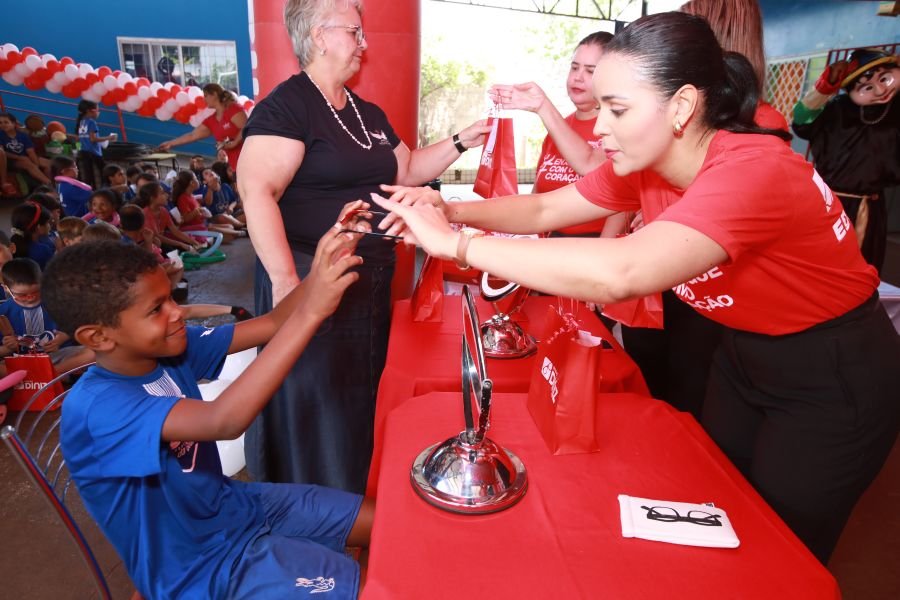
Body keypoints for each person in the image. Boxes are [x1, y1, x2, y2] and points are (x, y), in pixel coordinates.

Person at [374, 12, 900, 565]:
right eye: (599, 106)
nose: (598, 127)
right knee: (717, 513)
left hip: (832, 372)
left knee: (782, 552)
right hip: (744, 353)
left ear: (681, 107)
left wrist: (456, 245)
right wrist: (448, 207)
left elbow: (622, 270)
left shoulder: (753, 171)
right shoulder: (646, 165)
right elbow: (548, 205)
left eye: (616, 109)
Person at [238, 0, 491, 492]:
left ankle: (354, 491)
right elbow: (256, 192)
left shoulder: (363, 110)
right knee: (317, 396)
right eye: (355, 32)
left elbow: (410, 169)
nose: (364, 44)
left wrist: (465, 139)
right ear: (318, 36)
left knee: (358, 393)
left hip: (365, 278)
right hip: (313, 273)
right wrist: (290, 286)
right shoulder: (288, 106)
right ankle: (311, 499)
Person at [41, 230, 372, 599]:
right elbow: (224, 420)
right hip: (201, 569)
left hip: (240, 507)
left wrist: (325, 267)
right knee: (370, 586)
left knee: (389, 523)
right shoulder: (97, 407)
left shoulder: (167, 350)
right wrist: (312, 312)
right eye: (156, 309)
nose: (177, 313)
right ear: (99, 337)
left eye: (170, 298)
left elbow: (274, 322)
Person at [491, 32, 625, 237]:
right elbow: (538, 191)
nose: (578, 77)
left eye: (590, 71)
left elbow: (621, 200)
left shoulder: (619, 126)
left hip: (595, 249)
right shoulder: (559, 128)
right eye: (574, 67)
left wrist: (603, 251)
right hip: (551, 246)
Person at [792, 48, 899, 273]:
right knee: (815, 259)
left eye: (885, 79)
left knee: (861, 264)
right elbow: (802, 120)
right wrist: (824, 87)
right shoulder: (837, 109)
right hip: (828, 202)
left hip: (869, 206)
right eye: (867, 87)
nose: (880, 90)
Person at [0, 257, 93, 374]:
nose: (30, 297)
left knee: (94, 352)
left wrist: (64, 337)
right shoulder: (3, 312)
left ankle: (49, 374)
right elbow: (3, 351)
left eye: (36, 291)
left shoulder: (57, 302)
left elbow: (81, 325)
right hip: (21, 361)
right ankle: (51, 376)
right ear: (6, 288)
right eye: (22, 295)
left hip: (57, 357)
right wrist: (9, 347)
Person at [159, 83, 248, 168]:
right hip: (232, 166)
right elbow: (192, 135)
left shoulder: (233, 109)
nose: (204, 99)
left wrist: (234, 143)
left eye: (205, 96)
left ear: (215, 94)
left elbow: (247, 127)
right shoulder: (211, 120)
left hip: (247, 160)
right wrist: (170, 143)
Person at [0, 112, 51, 186]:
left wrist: (36, 165)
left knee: (48, 163)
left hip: (25, 157)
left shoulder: (23, 136)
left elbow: (31, 152)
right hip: (10, 160)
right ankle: (49, 184)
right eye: (0, 123)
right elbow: (2, 153)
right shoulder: (1, 135)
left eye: (6, 122)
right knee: (28, 164)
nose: (3, 125)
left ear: (14, 124)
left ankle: (45, 184)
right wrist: (19, 157)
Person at [75, 100, 115, 189]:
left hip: (84, 151)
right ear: (91, 111)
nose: (98, 112)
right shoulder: (92, 122)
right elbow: (93, 139)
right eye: (98, 110)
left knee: (89, 176)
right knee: (105, 172)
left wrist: (79, 149)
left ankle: (91, 192)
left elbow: (78, 139)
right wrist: (108, 138)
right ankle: (106, 189)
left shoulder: (81, 122)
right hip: (94, 152)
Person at [9, 201, 56, 269]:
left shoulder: (11, 245)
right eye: (47, 223)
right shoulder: (43, 250)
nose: (49, 226)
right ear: (38, 227)